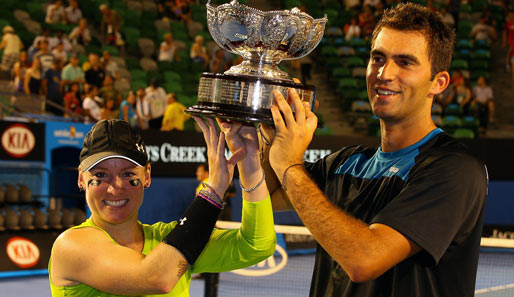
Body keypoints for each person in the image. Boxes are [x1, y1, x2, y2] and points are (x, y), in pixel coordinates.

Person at [262, 3, 488, 297]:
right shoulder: (346, 162)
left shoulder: (455, 169)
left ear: (438, 83)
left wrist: (290, 166)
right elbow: (263, 195)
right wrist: (263, 133)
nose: (384, 73)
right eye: (378, 58)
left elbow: (364, 260)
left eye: (405, 62)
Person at [49, 117, 276, 297]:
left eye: (128, 174)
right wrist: (214, 190)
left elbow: (256, 246)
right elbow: (155, 277)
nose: (115, 188)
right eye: (100, 175)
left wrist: (250, 163)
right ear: (81, 178)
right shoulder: (71, 246)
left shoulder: (169, 242)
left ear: (147, 176)